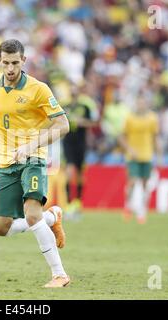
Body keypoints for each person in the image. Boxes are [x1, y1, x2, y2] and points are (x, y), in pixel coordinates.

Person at [0, 39, 71, 288]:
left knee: (32, 215)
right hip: (6, 163)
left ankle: (59, 275)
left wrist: (30, 146)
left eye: (15, 63)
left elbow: (63, 125)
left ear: (24, 61)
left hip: (33, 159)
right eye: (6, 63)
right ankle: (52, 218)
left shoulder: (38, 89)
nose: (10, 68)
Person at [119, 95, 162, 224]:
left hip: (147, 155)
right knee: (132, 181)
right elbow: (121, 137)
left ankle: (142, 212)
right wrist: (129, 149)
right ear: (136, 104)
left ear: (146, 104)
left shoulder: (152, 118)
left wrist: (159, 156)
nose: (141, 105)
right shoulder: (129, 118)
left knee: (145, 184)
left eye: (143, 103)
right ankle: (127, 205)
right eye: (139, 103)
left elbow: (155, 138)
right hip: (132, 157)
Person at [63, 82, 99, 220]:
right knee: (69, 171)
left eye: (75, 89)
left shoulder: (85, 106)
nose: (73, 92)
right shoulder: (64, 106)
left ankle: (77, 203)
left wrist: (81, 122)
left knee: (79, 174)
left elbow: (94, 122)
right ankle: (67, 205)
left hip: (81, 143)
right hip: (68, 142)